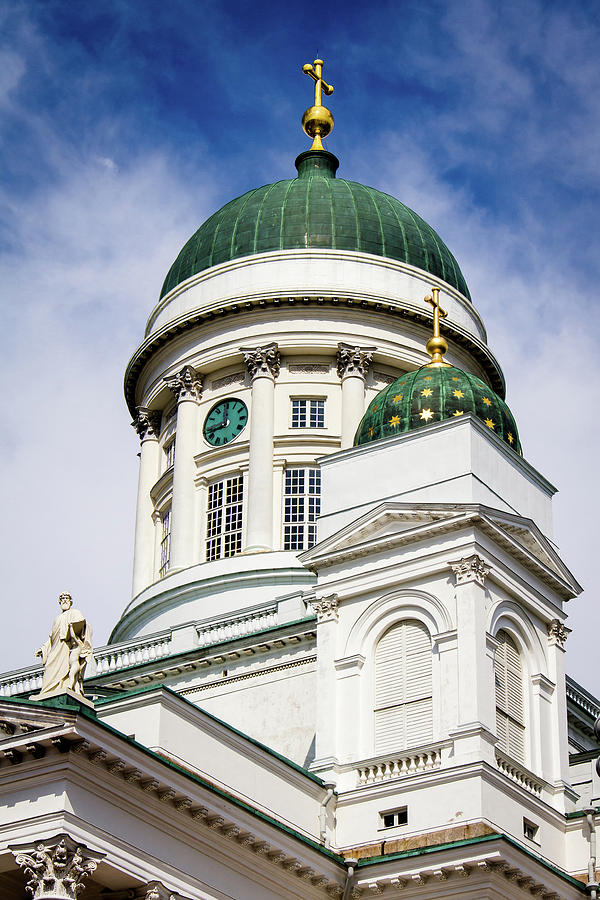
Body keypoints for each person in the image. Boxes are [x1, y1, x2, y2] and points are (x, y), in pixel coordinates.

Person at [34, 593, 93, 700]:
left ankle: (65, 685)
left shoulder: (75, 612)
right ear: (59, 602)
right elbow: (51, 637)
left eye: (67, 599)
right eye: (62, 599)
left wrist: (72, 628)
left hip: (66, 647)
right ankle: (49, 690)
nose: (64, 601)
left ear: (71, 601)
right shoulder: (57, 618)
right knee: (49, 667)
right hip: (56, 648)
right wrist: (43, 648)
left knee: (67, 667)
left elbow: (81, 624)